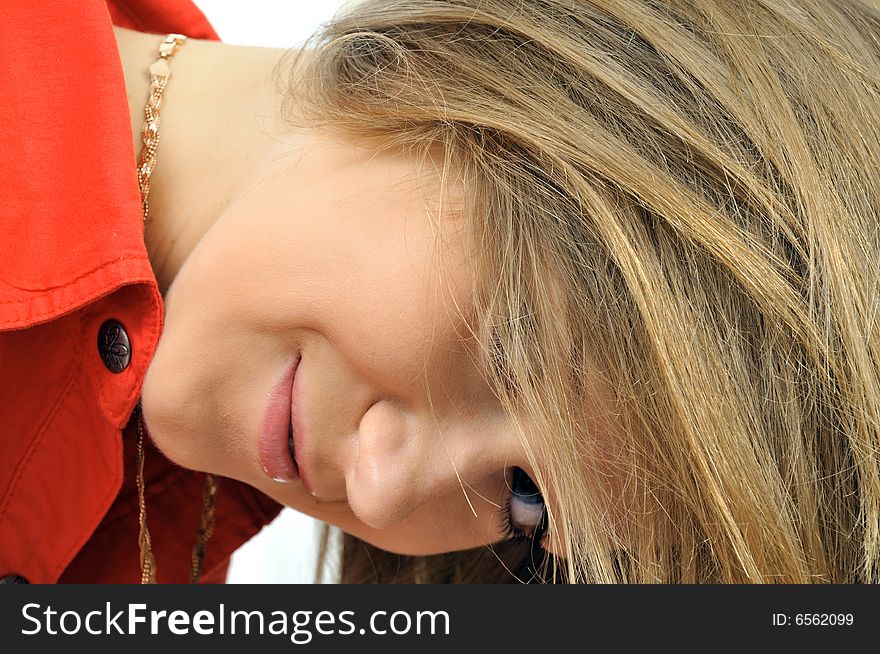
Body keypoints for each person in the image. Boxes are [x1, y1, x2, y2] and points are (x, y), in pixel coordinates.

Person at [2, 0, 879, 585]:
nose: (382, 494)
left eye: (525, 504)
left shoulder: (162, 514)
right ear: (474, 76)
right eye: (517, 351)